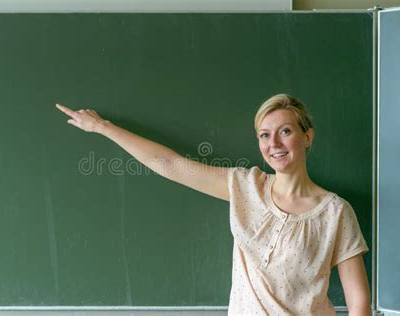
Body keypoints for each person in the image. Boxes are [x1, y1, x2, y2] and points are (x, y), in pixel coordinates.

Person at [56, 93, 371, 316]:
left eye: (284, 131)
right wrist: (102, 127)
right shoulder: (246, 187)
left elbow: (358, 304)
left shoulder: (335, 212)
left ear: (307, 137)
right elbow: (172, 165)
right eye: (264, 135)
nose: (273, 143)